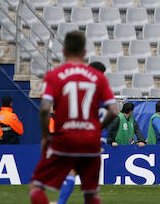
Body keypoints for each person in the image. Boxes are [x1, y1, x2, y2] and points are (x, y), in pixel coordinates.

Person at [29, 30, 118, 204]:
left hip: (66, 137)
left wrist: (46, 136)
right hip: (90, 140)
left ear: (63, 52)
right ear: (84, 53)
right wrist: (97, 129)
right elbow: (114, 110)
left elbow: (45, 108)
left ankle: (60, 203)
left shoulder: (54, 76)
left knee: (36, 187)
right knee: (91, 193)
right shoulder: (98, 78)